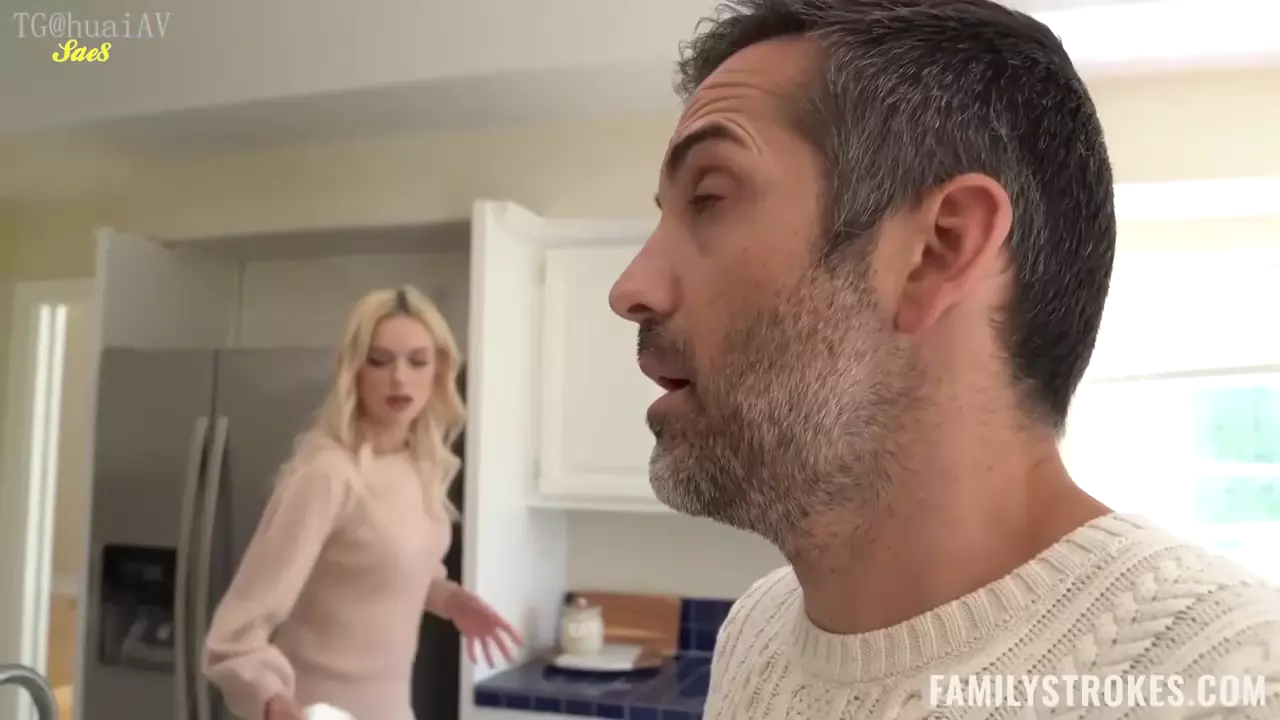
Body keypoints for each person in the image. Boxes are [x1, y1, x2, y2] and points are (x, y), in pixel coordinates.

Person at [608, 0, 1280, 717]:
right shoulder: (755, 636)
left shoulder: (1235, 681)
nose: (629, 289)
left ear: (939, 249)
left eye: (710, 197)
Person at [203, 286, 521, 720]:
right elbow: (234, 634)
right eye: (379, 360)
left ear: (438, 371)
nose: (399, 378)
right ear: (354, 370)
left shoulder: (420, 466)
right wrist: (272, 701)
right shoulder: (326, 476)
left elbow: (377, 569)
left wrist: (449, 599)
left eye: (417, 361)